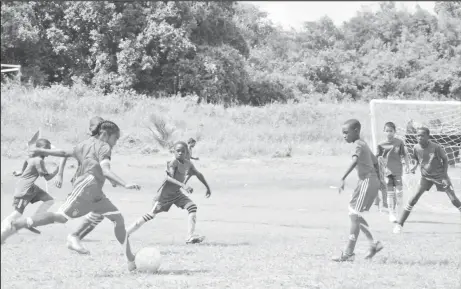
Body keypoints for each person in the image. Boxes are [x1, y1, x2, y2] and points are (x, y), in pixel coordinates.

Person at [1, 120, 141, 271]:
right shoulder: (105, 147)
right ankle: (19, 224)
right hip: (86, 187)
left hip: (97, 194)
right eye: (116, 138)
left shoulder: (85, 143)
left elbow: (64, 153)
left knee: (118, 219)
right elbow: (105, 170)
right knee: (60, 217)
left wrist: (43, 152)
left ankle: (131, 261)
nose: (116, 142)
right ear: (106, 134)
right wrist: (124, 184)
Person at [126, 141, 211, 244]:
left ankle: (189, 237)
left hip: (177, 194)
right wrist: (184, 185)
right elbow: (168, 178)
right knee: (151, 215)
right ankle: (126, 232)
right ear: (174, 152)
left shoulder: (188, 164)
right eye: (178, 151)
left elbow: (198, 174)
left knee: (192, 207)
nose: (180, 153)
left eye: (183, 151)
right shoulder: (173, 163)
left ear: (187, 152)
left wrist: (207, 187)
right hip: (164, 195)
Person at [54, 116, 114, 253]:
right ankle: (74, 236)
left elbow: (102, 166)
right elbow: (65, 154)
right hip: (84, 180)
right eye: (96, 126)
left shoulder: (101, 143)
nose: (99, 129)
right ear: (90, 128)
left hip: (91, 181)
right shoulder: (87, 142)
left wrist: (111, 179)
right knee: (97, 211)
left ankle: (74, 236)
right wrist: (60, 174)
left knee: (98, 212)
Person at [332, 119, 384, 262]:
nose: (344, 136)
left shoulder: (359, 145)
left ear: (356, 131)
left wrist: (342, 177)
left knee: (354, 214)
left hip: (367, 180)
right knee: (354, 214)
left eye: (346, 133)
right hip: (369, 181)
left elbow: (355, 160)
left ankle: (349, 253)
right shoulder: (363, 144)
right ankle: (373, 244)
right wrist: (379, 182)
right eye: (342, 133)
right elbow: (375, 162)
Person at [393, 127, 461, 234]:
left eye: (422, 135)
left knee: (453, 199)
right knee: (413, 199)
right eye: (418, 135)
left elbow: (445, 160)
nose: (419, 137)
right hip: (426, 177)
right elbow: (416, 159)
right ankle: (399, 224)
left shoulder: (436, 147)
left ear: (428, 136)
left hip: (440, 176)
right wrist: (414, 167)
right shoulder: (416, 147)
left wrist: (444, 177)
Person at [1, 139, 59, 238]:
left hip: (31, 187)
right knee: (18, 213)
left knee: (49, 200)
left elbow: (24, 166)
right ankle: (3, 228)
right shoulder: (39, 160)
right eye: (49, 149)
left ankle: (32, 222)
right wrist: (57, 171)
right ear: (43, 149)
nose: (50, 151)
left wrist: (22, 172)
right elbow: (47, 177)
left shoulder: (31, 158)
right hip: (24, 190)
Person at [376, 122, 410, 222]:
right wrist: (382, 168)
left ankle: (399, 213)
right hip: (387, 173)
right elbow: (378, 158)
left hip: (398, 171)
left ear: (394, 132)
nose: (389, 133)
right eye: (387, 131)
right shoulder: (381, 145)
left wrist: (407, 166)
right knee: (390, 193)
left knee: (399, 193)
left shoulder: (399, 142)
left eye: (391, 131)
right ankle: (392, 214)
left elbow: (405, 155)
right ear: (384, 131)